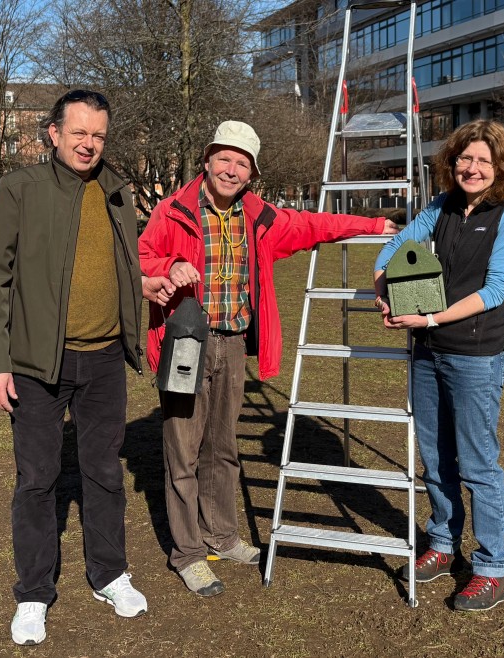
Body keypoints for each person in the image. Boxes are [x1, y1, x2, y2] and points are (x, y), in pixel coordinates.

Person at [138, 120, 399, 597]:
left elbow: (312, 225)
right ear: (207, 160)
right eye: (225, 158)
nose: (231, 170)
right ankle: (189, 553)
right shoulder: (171, 210)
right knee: (183, 451)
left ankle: (221, 536)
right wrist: (167, 267)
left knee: (222, 447)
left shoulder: (259, 217)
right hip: (185, 343)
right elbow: (140, 256)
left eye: (242, 163)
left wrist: (372, 225)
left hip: (233, 343)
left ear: (251, 173)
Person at [0, 89, 175, 646]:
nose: (89, 144)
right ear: (53, 133)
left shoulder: (116, 190)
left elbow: (114, 264)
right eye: (79, 132)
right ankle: (34, 592)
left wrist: (142, 285)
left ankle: (110, 574)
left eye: (99, 135)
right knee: (37, 479)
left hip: (106, 358)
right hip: (39, 362)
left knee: (104, 472)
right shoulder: (21, 189)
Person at [373, 119, 504, 612]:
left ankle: (491, 569)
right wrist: (384, 288)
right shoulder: (439, 207)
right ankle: (442, 545)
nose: (474, 168)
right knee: (435, 458)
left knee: (479, 464)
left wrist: (432, 316)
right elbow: (393, 249)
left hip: (475, 356)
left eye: (484, 160)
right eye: (466, 158)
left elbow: (496, 290)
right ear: (452, 162)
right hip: (427, 352)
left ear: (502, 166)